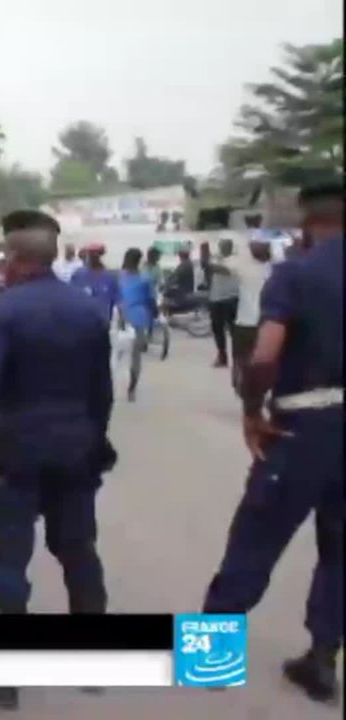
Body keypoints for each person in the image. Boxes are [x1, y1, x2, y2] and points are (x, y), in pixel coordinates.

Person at [0, 210, 115, 711]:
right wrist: (97, 444)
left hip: (18, 450)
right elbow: (103, 394)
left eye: (5, 257)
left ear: (16, 258)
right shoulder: (86, 310)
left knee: (8, 559)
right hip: (76, 450)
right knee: (78, 549)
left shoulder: (8, 311)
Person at [202, 181, 342, 705]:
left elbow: (264, 355)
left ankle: (210, 659)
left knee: (255, 537)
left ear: (307, 225)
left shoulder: (297, 273)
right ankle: (323, 659)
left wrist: (250, 411)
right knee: (339, 551)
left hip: (301, 428)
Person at [229, 236, 274, 393]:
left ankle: (243, 387)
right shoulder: (273, 269)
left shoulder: (244, 268)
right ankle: (255, 389)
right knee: (262, 361)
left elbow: (218, 267)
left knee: (241, 358)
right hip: (266, 323)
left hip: (246, 323)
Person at [116, 248, 158, 401]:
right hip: (138, 318)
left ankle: (121, 385)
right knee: (135, 356)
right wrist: (155, 314)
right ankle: (132, 388)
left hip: (122, 318)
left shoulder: (120, 277)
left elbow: (115, 298)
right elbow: (151, 300)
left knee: (117, 354)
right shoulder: (145, 278)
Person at [204, 238, 241, 368]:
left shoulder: (235, 260)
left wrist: (208, 263)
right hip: (216, 299)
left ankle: (238, 358)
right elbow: (208, 271)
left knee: (234, 330)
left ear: (230, 248)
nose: (221, 249)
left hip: (231, 299)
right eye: (220, 247)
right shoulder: (217, 258)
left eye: (224, 247)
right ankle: (222, 356)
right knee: (217, 330)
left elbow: (223, 270)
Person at [69, 243, 120, 322]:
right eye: (91, 255)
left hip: (103, 321)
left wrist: (121, 319)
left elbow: (118, 300)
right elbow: (70, 297)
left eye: (96, 255)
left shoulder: (110, 277)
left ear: (100, 256)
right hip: (81, 320)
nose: (93, 258)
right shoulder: (78, 274)